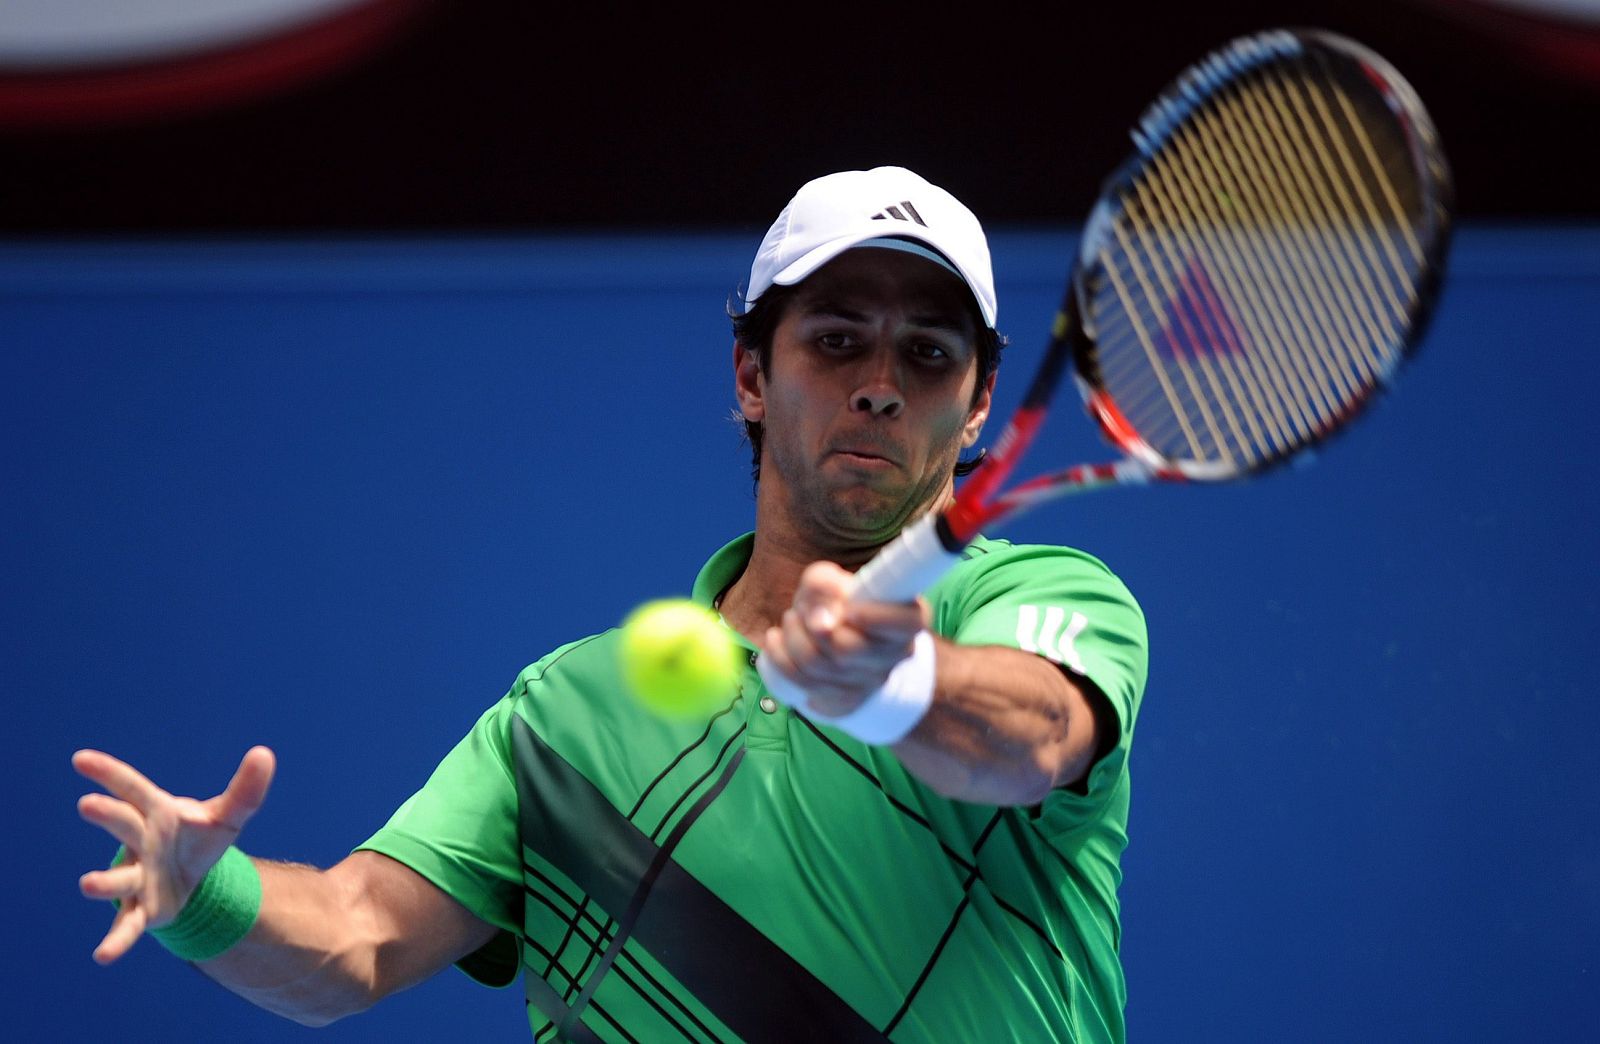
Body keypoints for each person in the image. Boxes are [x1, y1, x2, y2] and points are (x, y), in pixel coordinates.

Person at [74, 165, 1149, 1043]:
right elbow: (354, 941)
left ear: (976, 408)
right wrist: (204, 895)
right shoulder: (565, 719)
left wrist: (896, 681)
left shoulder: (1034, 597)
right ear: (750, 376)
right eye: (836, 338)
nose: (880, 384)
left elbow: (1031, 740)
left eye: (928, 353)